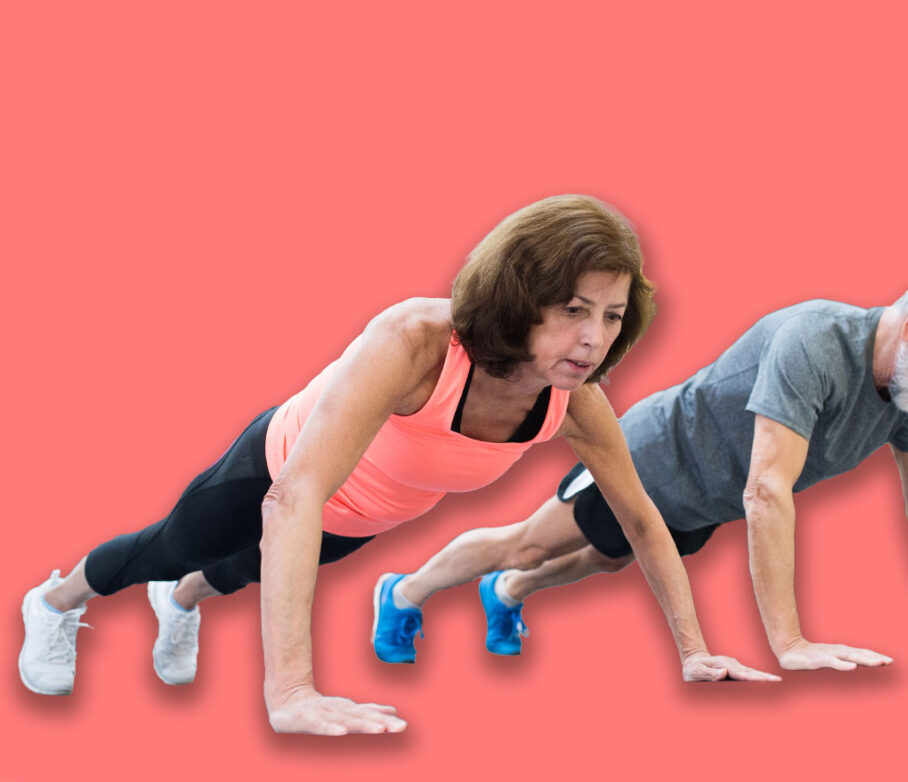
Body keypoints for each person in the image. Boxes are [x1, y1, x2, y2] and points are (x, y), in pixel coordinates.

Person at [18, 195, 775, 737]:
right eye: (574, 310)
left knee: (237, 574)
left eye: (611, 317)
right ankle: (54, 603)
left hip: (365, 517)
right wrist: (292, 690)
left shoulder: (576, 402)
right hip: (276, 474)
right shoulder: (416, 341)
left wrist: (694, 651)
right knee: (170, 549)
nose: (593, 339)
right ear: (520, 297)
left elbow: (643, 520)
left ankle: (180, 603)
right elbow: (292, 498)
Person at [376, 263, 908, 671]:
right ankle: (404, 594)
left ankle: (508, 594)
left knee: (607, 559)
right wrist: (790, 643)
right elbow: (767, 491)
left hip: (702, 501)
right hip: (649, 458)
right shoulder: (816, 341)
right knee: (527, 541)